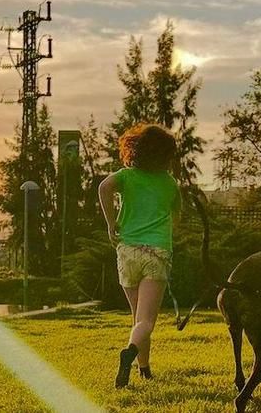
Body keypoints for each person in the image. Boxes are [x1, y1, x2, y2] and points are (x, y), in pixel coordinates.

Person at [98, 122, 181, 388]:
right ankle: (130, 353)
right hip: (156, 253)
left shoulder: (127, 176)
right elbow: (176, 218)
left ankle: (143, 369)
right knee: (146, 320)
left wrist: (112, 223)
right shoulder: (170, 184)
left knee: (138, 318)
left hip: (128, 251)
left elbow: (103, 187)